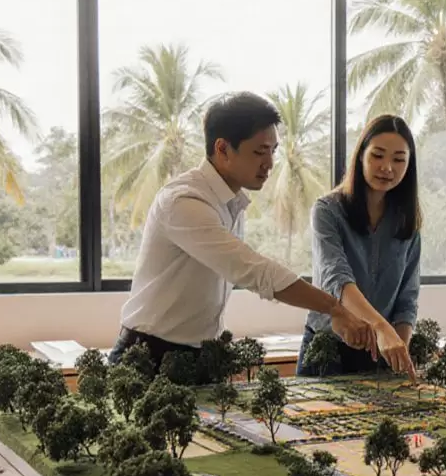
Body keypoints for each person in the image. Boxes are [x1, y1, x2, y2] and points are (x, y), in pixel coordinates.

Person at [109, 91, 372, 370]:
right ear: (223, 149)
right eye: (259, 151)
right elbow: (254, 270)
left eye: (273, 151)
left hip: (200, 355)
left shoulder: (230, 202)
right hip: (148, 355)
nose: (269, 163)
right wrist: (334, 308)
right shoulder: (184, 201)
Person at [297, 114, 421, 380]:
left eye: (399, 159)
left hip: (379, 354)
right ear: (361, 155)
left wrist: (399, 353)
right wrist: (381, 327)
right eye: (378, 155)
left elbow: (407, 300)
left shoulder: (407, 222)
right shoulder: (327, 210)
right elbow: (337, 279)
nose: (387, 167)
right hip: (326, 349)